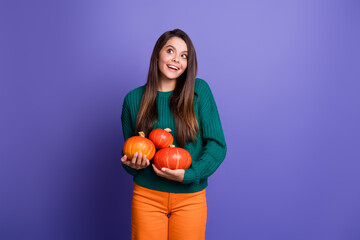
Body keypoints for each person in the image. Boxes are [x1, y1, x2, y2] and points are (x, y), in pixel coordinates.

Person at [120, 28, 227, 240]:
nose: (176, 59)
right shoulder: (133, 99)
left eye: (184, 56)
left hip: (190, 198)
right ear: (157, 54)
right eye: (170, 51)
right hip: (147, 197)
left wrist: (191, 174)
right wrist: (132, 164)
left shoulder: (199, 91)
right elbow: (131, 151)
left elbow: (217, 145)